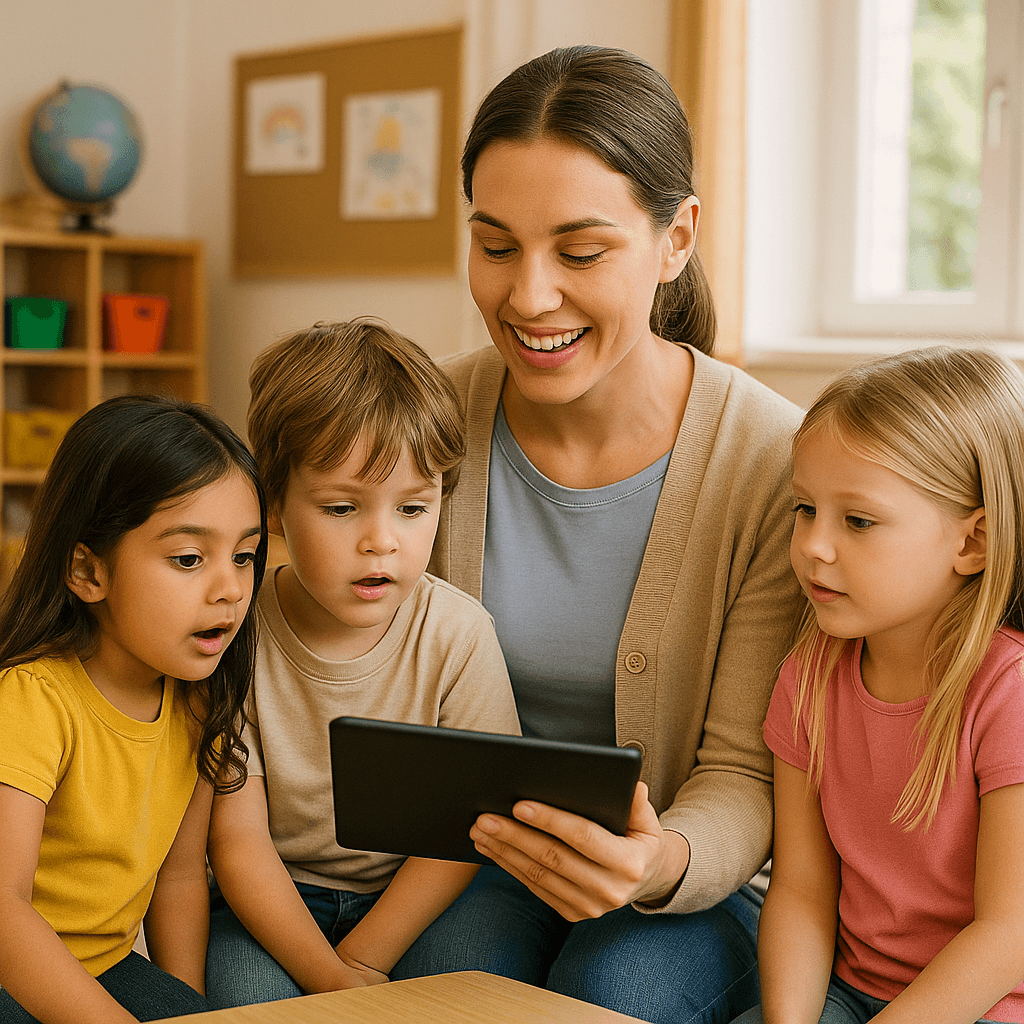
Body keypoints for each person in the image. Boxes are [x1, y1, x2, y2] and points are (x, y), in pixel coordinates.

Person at [389, 44, 807, 1024]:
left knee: (611, 991)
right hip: (473, 859)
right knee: (446, 993)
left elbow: (743, 769)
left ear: (675, 239)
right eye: (495, 247)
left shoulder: (772, 461)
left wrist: (656, 861)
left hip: (684, 881)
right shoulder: (423, 419)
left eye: (580, 252)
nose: (529, 296)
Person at [203, 318, 520, 1006]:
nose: (382, 543)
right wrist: (333, 979)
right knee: (242, 1004)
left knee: (470, 993)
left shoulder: (459, 635)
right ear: (275, 507)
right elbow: (239, 844)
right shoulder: (235, 635)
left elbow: (470, 828)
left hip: (427, 884)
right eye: (343, 507)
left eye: (412, 507)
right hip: (275, 895)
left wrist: (367, 957)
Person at [730, 345, 1024, 1024]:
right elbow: (801, 890)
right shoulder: (808, 678)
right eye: (805, 510)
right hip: (851, 993)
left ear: (973, 542)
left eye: (857, 521)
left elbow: (1008, 935)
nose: (813, 547)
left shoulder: (1007, 693)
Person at [0, 394, 268, 1024]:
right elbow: (3, 908)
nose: (230, 588)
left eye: (244, 555)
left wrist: (186, 1009)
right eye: (188, 559)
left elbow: (177, 882)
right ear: (87, 571)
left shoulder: (201, 703)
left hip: (109, 969)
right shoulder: (31, 701)